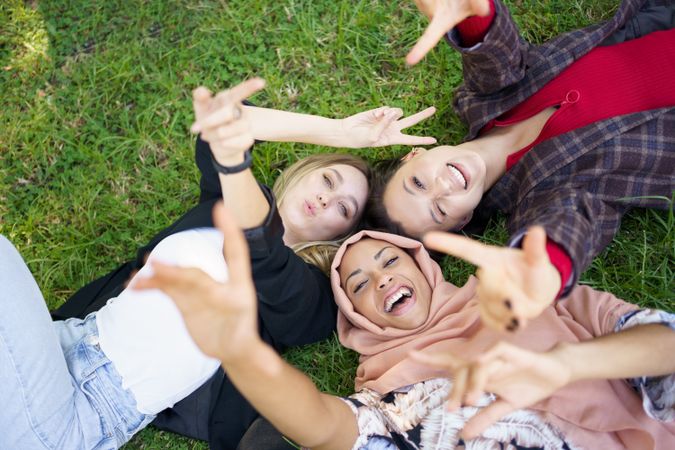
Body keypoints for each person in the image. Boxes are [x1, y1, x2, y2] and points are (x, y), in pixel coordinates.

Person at [50, 79, 437, 448]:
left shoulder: (312, 297)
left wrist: (234, 163)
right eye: (328, 181)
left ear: (339, 236)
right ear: (304, 173)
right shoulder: (219, 203)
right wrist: (340, 133)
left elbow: (263, 249)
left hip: (97, 402)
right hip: (69, 334)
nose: (325, 199)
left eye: (343, 207)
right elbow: (224, 124)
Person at [136, 203, 675, 450]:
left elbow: (666, 344)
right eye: (359, 284)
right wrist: (239, 350)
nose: (381, 281)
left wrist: (563, 364)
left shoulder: (523, 296)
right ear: (355, 320)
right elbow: (325, 429)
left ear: (423, 265)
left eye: (390, 262)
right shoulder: (389, 389)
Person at [365, 0, 675, 330]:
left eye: (419, 183)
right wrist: (543, 267)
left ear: (413, 157)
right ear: (463, 220)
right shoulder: (537, 197)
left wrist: (473, 16)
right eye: (440, 211)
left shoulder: (484, 100)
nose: (444, 186)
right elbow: (567, 222)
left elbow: (496, 58)